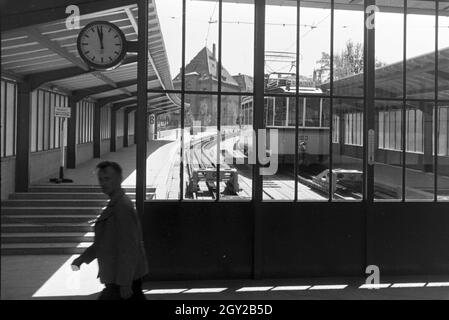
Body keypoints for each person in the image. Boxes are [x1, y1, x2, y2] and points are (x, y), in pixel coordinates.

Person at [71, 161, 148, 300]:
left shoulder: (122, 207)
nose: (103, 183)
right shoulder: (115, 205)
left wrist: (125, 283)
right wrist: (83, 258)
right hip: (118, 277)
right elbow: (105, 241)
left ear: (119, 179)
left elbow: (129, 247)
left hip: (121, 280)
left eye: (107, 179)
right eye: (100, 179)